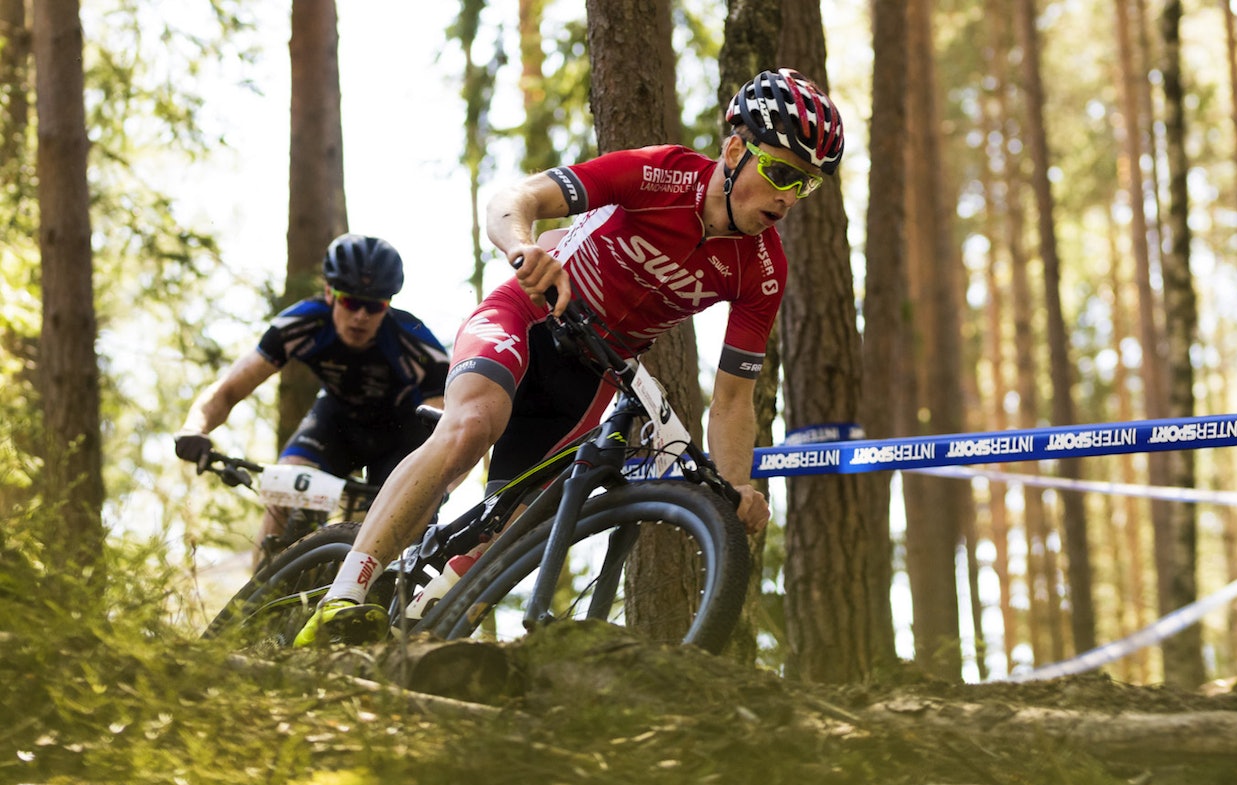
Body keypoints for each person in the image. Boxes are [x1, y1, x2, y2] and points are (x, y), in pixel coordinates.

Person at [294, 68, 845, 646]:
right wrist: (524, 247)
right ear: (735, 149)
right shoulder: (658, 173)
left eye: (807, 185)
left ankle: (412, 643)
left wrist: (733, 496)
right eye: (782, 171)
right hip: (529, 317)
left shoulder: (763, 269)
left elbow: (733, 398)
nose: (788, 196)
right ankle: (344, 594)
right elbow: (515, 198)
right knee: (472, 426)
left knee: (511, 537)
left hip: (591, 378)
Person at [175, 233, 452, 578]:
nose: (361, 316)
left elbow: (449, 427)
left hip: (401, 437)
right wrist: (194, 428)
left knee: (381, 530)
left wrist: (441, 485)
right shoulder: (301, 324)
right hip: (336, 424)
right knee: (286, 483)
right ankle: (255, 605)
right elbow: (229, 389)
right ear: (329, 293)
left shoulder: (416, 343)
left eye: (375, 305)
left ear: (388, 305)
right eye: (351, 302)